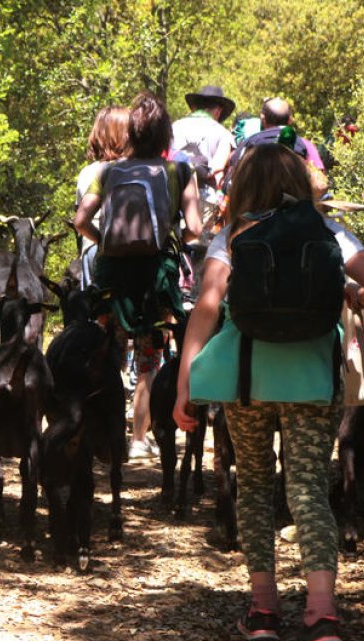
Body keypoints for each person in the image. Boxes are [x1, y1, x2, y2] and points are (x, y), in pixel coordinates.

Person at [173, 143, 364, 641]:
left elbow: (205, 310)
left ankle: (262, 611)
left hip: (246, 380)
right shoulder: (328, 234)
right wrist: (348, 290)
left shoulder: (232, 238)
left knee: (253, 485)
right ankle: (322, 616)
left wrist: (186, 385)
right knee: (307, 490)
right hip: (311, 383)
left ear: (244, 187)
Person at [73, 91, 204, 459]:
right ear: (165, 135)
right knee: (148, 360)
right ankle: (138, 439)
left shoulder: (108, 171)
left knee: (104, 354)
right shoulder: (179, 172)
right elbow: (193, 229)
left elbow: (81, 220)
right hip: (155, 277)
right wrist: (171, 236)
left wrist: (105, 242)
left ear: (130, 132)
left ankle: (98, 433)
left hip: (112, 275)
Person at [75, 105, 131, 290]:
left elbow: (80, 223)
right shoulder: (136, 171)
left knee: (94, 313)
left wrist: (99, 241)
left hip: (92, 249)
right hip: (130, 252)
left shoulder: (87, 173)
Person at [171, 85, 236, 228]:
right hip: (204, 197)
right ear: (218, 111)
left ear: (194, 108)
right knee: (199, 245)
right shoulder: (223, 133)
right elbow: (218, 167)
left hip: (173, 192)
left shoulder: (174, 127)